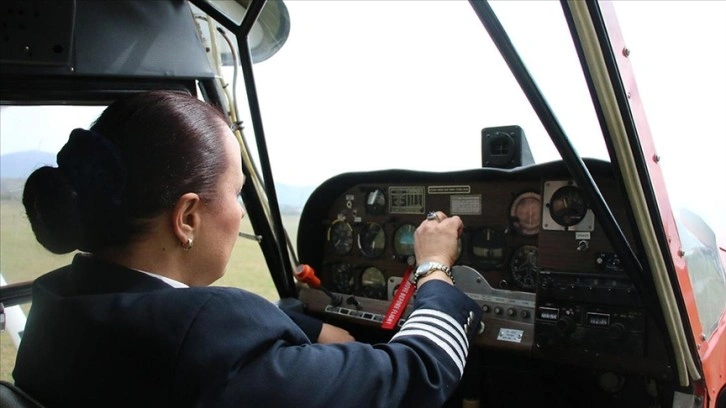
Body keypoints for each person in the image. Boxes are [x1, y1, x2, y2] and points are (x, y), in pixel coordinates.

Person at [14, 90, 483, 407]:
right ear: (187, 218)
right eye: (237, 193)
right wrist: (434, 267)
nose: (240, 213)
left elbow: (209, 326)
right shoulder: (207, 349)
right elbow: (420, 372)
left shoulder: (60, 304)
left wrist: (306, 325)